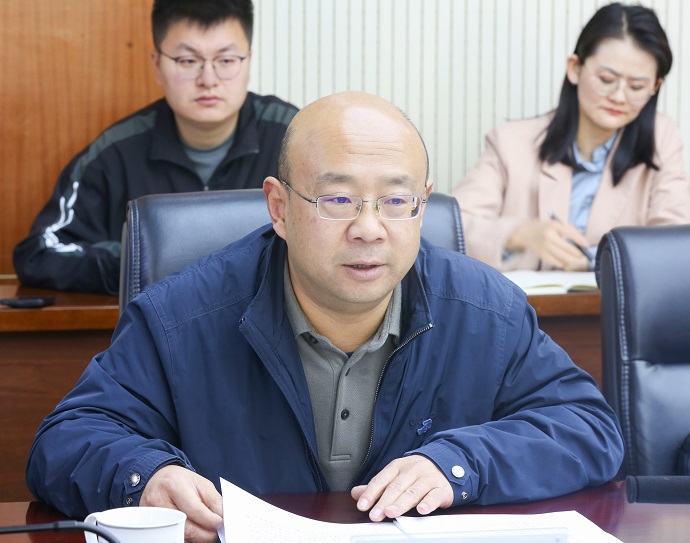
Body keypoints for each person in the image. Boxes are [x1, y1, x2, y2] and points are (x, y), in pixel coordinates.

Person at [26, 91, 624, 543]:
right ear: (279, 207)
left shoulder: (486, 310)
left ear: (423, 203)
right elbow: (66, 440)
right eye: (338, 199)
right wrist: (145, 477)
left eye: (396, 200)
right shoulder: (181, 316)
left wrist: (460, 464)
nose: (369, 228)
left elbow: (588, 427)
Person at [13, 0, 298, 295]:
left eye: (226, 60)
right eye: (188, 61)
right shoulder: (116, 152)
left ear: (248, 61)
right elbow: (38, 253)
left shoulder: (294, 138)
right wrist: (143, 260)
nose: (208, 79)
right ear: (157, 65)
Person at [452, 2, 690, 271]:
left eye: (637, 86)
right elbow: (451, 228)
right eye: (606, 79)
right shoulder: (510, 142)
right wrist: (518, 234)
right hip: (519, 298)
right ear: (575, 68)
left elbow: (674, 244)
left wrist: (597, 261)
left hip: (607, 299)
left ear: (655, 86)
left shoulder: (661, 138)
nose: (619, 96)